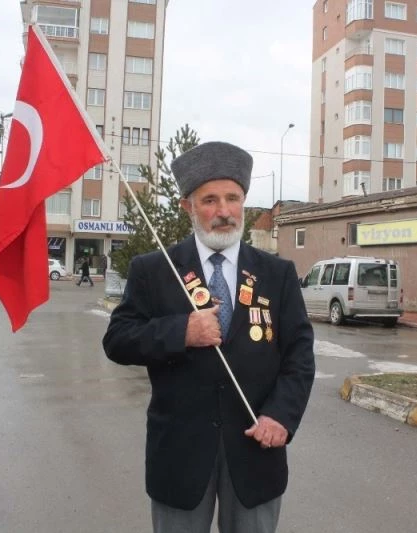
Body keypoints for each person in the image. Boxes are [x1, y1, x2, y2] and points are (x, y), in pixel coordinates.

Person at [102, 141, 315, 533]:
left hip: (256, 448)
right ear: (187, 206)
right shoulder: (155, 269)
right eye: (210, 200)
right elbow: (118, 339)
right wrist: (181, 331)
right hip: (180, 456)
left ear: (244, 202)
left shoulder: (277, 273)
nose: (223, 212)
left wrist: (281, 416)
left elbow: (299, 356)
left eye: (233, 199)